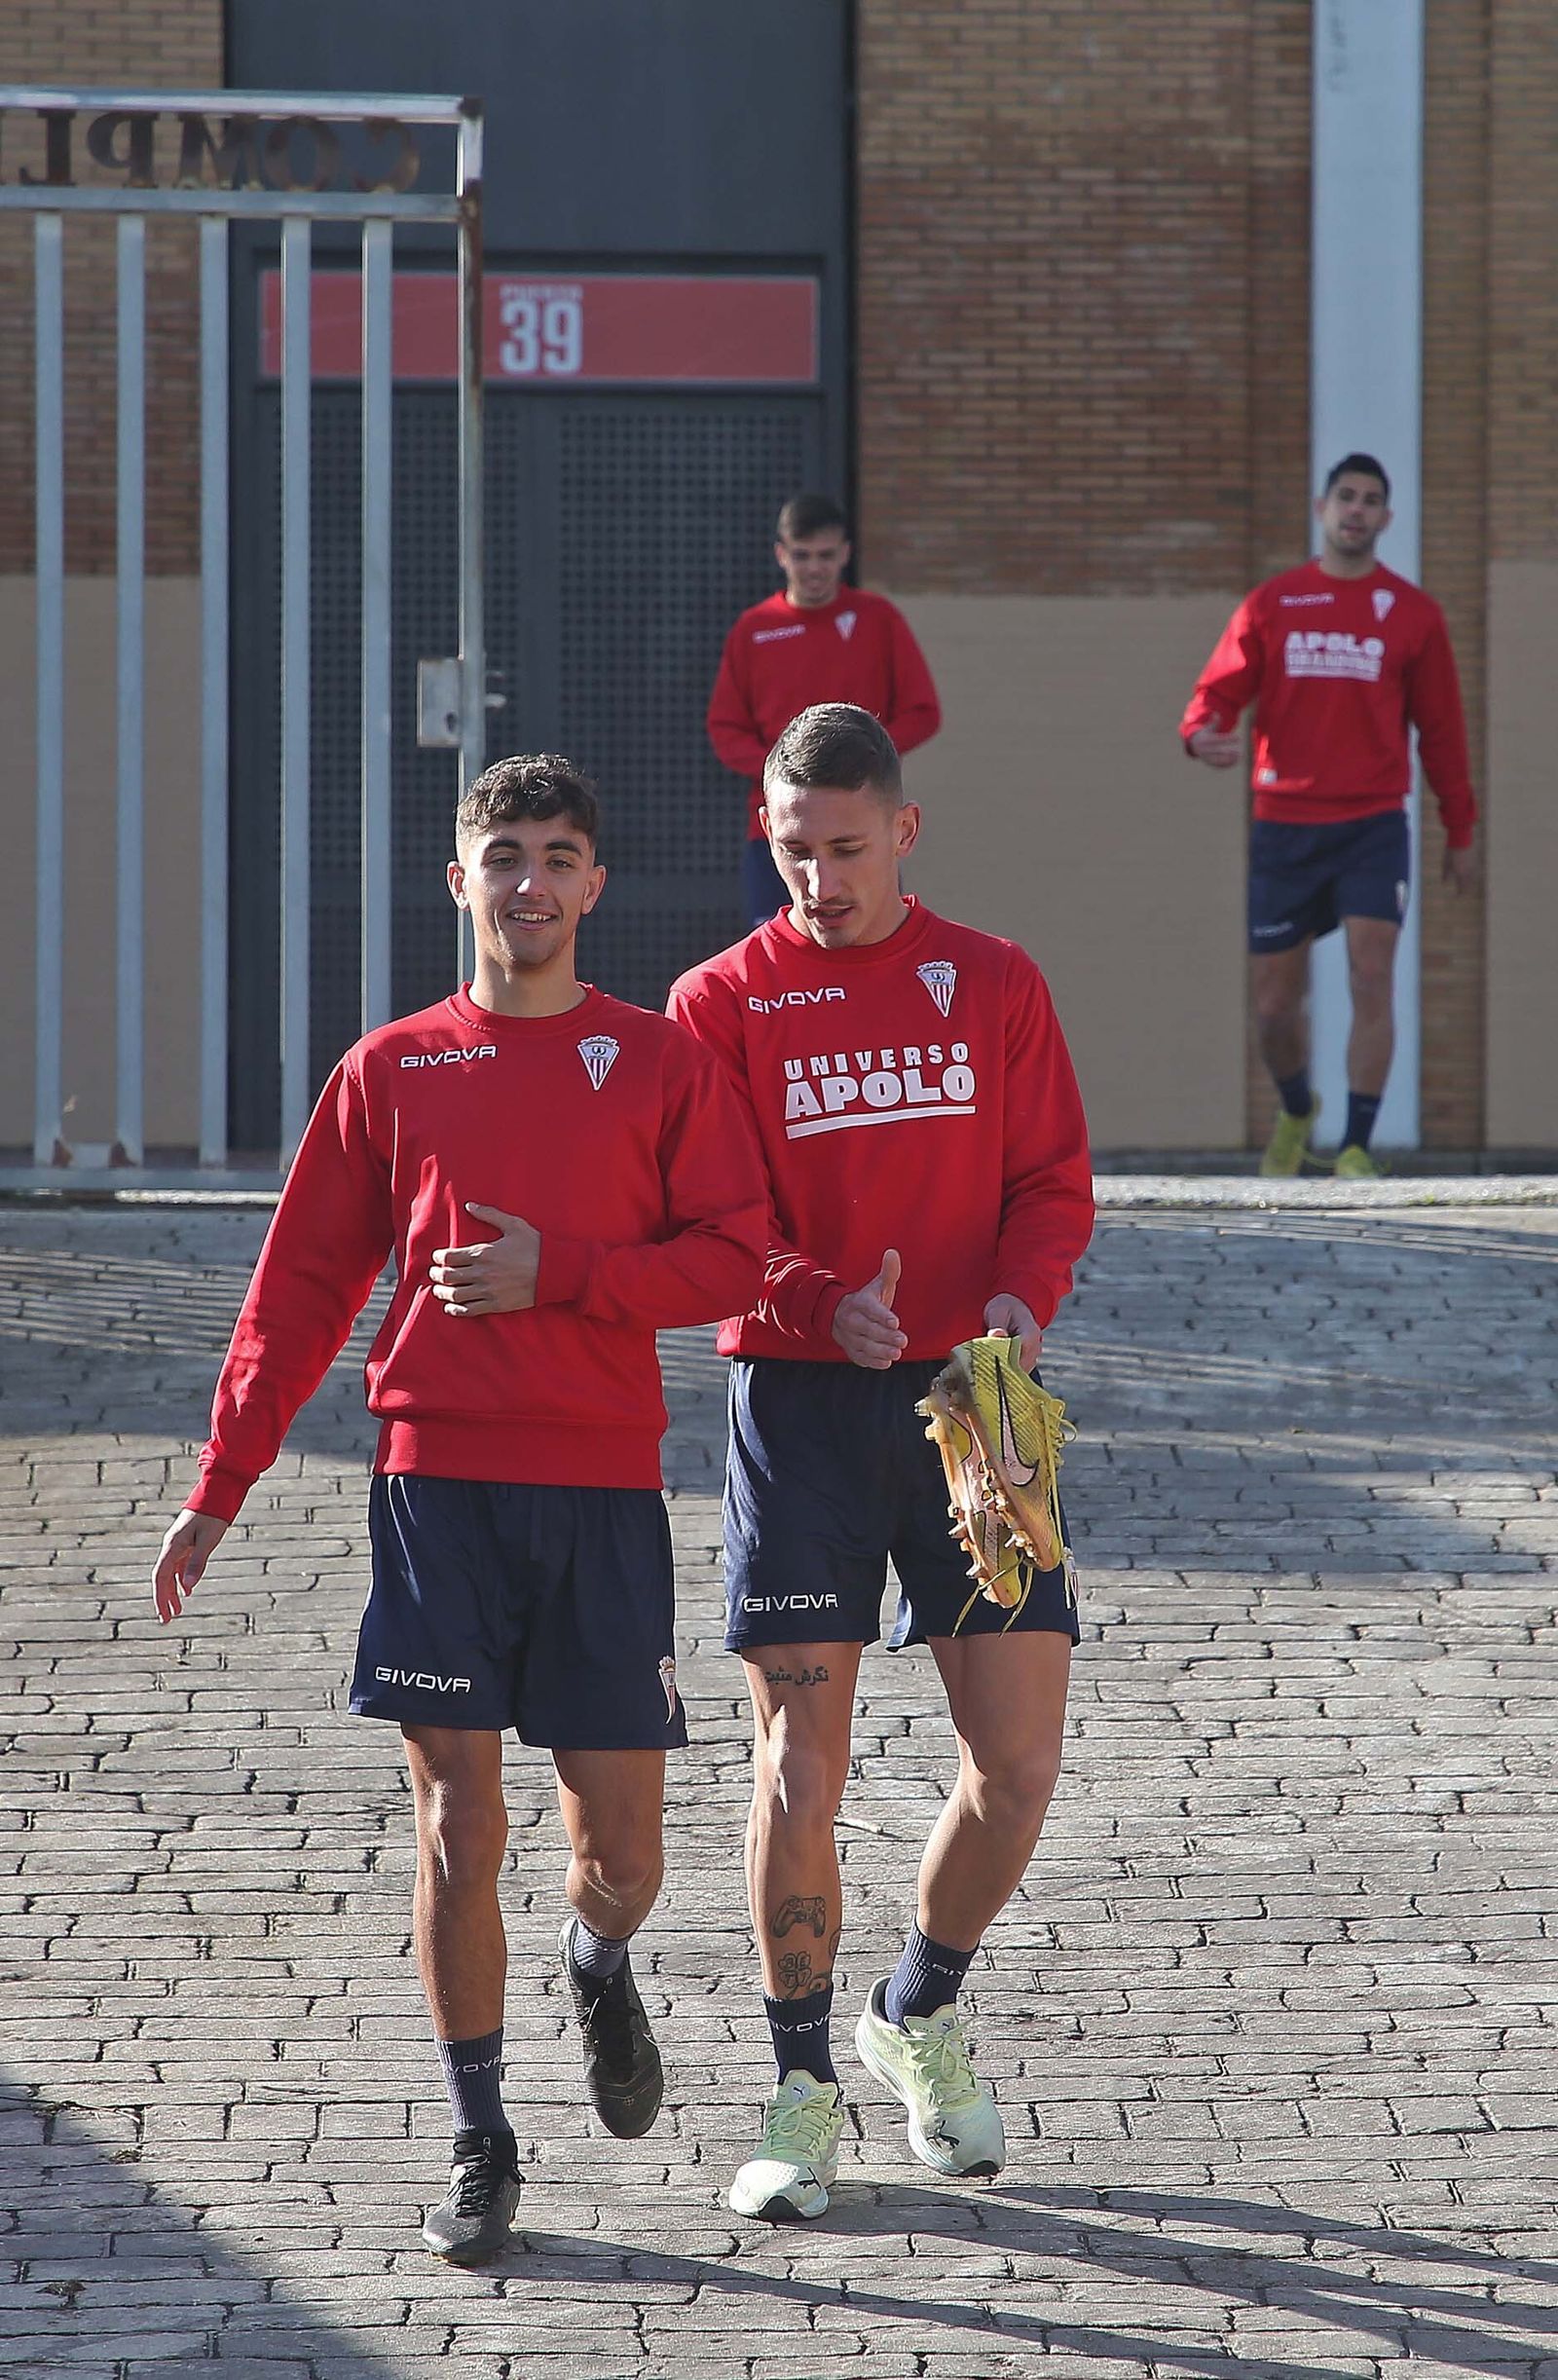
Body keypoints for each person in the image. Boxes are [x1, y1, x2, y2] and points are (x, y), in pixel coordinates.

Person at [150, 755, 766, 2265]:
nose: (530, 882)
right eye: (504, 855)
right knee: (456, 1827)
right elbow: (298, 1293)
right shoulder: (392, 1070)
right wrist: (221, 1484)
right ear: (459, 880)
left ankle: (596, 1956)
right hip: (436, 1491)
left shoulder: (660, 1064)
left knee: (626, 1855)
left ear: (593, 885)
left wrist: (564, 1274)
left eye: (558, 855)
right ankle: (480, 2138)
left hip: (602, 1494)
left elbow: (737, 1256)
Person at [667, 702, 1094, 2221]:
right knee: (802, 1769)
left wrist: (1021, 1299)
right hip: (800, 1409)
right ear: (766, 835)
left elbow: (1052, 1180)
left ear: (904, 832)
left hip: (979, 1401)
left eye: (848, 848)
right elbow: (708, 1228)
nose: (822, 879)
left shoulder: (996, 981)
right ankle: (800, 2091)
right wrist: (812, 1304)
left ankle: (916, 2007)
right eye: (797, 849)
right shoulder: (718, 1002)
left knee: (1020, 1765)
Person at [1180, 451, 1478, 1178]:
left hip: (1372, 824)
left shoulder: (1413, 614)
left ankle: (1356, 1147)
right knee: (1275, 1007)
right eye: (1346, 496)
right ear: (1323, 508)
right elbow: (1217, 692)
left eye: (1371, 500)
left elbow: (1442, 730)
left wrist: (1460, 828)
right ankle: (1296, 1110)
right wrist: (1199, 732)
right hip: (1285, 824)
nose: (1357, 510)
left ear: (1386, 518)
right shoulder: (1275, 603)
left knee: (1372, 976)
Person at [707, 492, 942, 929]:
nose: (814, 567)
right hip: (781, 827)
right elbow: (725, 729)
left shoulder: (878, 619)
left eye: (826, 555)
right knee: (776, 948)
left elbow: (923, 711)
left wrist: (859, 760)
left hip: (861, 823)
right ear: (781, 554)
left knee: (871, 939)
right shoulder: (755, 629)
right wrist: (792, 773)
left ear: (845, 554)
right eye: (802, 555)